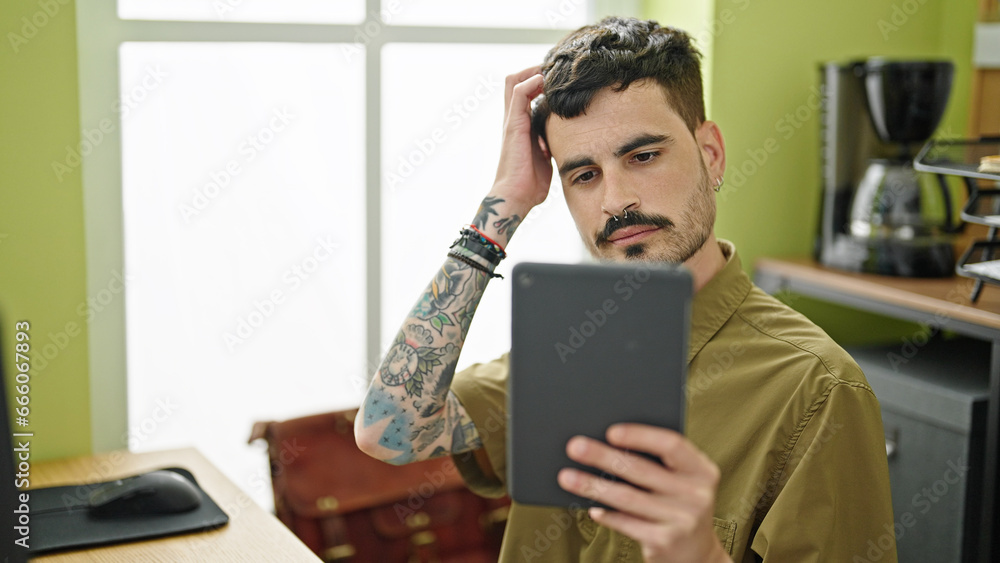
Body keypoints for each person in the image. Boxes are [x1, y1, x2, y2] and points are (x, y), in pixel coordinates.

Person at [356, 16, 896, 563]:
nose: (615, 200)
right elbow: (388, 430)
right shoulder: (564, 346)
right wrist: (502, 207)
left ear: (711, 155)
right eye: (583, 175)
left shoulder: (820, 391)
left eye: (642, 156)